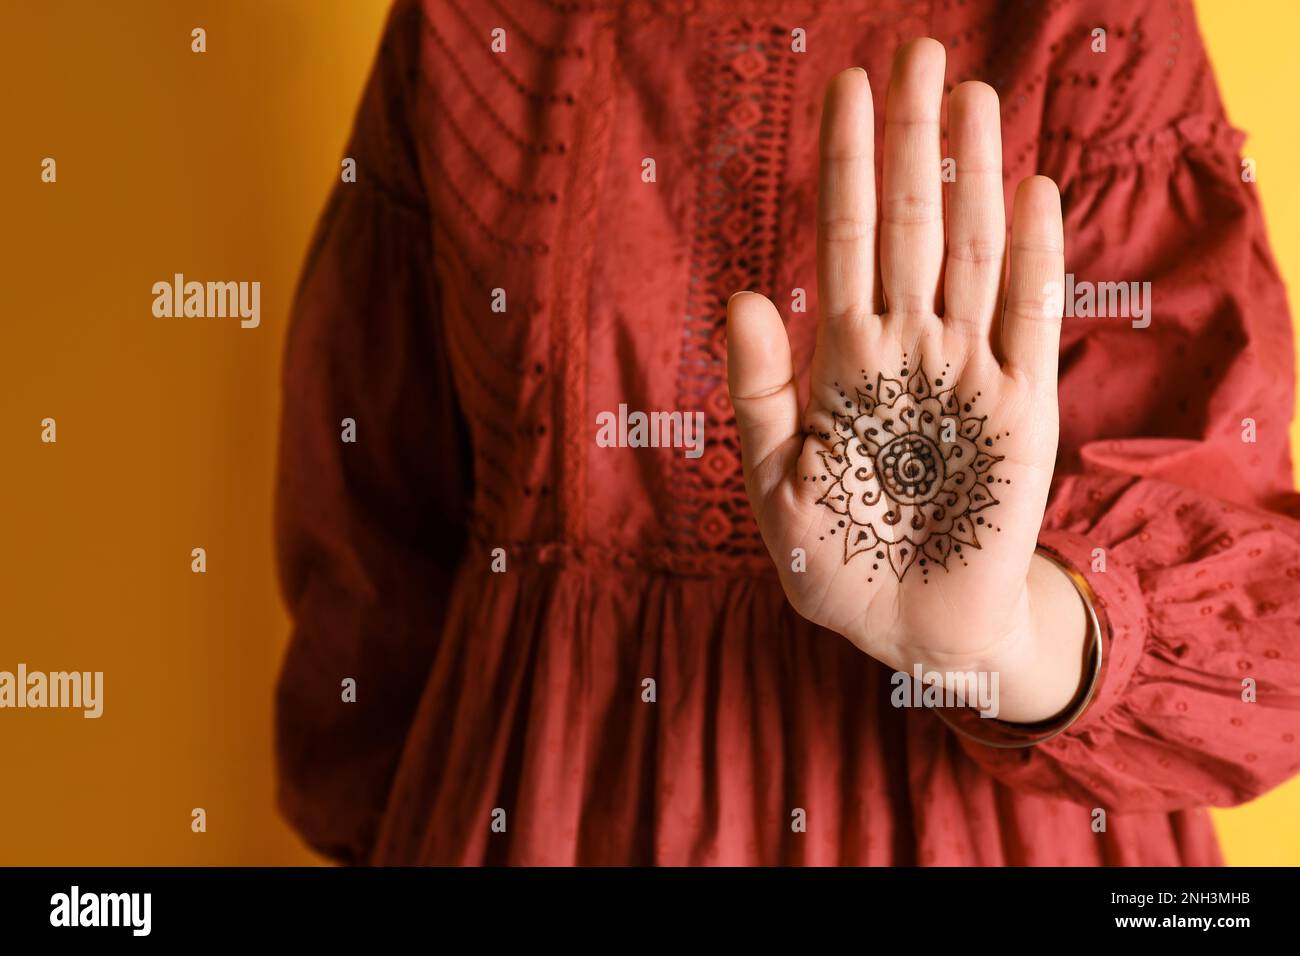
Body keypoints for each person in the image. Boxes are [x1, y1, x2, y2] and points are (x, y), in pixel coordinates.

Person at [273, 0, 1300, 865]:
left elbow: (1249, 623)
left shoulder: (1088, 20)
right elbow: (371, 550)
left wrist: (999, 637)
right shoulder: (478, 23)